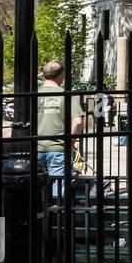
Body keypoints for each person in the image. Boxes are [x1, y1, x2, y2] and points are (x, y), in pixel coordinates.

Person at [37, 61, 85, 198]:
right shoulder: (67, 94)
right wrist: (72, 139)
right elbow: (78, 121)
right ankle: (57, 217)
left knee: (38, 188)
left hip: (36, 147)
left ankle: (41, 217)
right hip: (59, 148)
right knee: (58, 190)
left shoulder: (34, 94)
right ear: (61, 75)